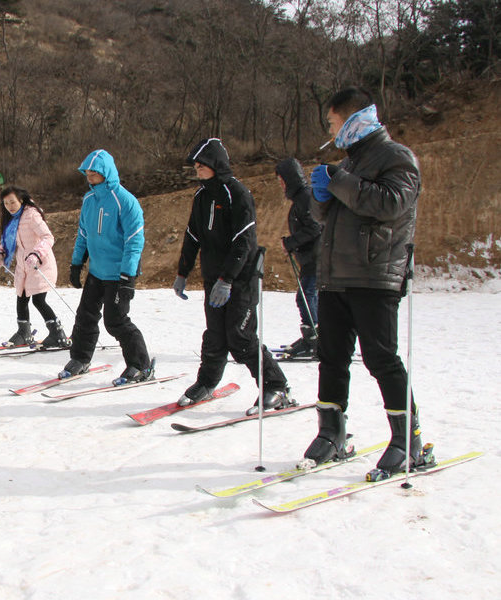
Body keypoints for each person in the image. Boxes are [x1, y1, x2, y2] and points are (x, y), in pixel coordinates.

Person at [302, 87, 428, 476]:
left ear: (353, 118)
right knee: (331, 357)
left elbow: (389, 204)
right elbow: (330, 217)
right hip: (336, 276)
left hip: (374, 275)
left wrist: (338, 179)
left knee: (381, 359)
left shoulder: (397, 157)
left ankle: (408, 441)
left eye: (332, 122)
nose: (330, 129)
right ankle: (331, 433)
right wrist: (319, 196)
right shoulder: (352, 162)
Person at [173, 138, 290, 415]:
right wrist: (182, 272)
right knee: (215, 336)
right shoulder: (201, 197)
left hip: (240, 279)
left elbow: (244, 242)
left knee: (240, 336)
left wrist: (227, 280)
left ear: (216, 165)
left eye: (202, 166)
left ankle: (277, 386)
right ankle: (207, 383)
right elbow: (192, 237)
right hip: (214, 278)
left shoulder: (237, 194)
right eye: (196, 167)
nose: (197, 171)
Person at [61, 149, 153, 385]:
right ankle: (80, 359)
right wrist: (76, 263)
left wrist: (127, 277)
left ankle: (140, 365)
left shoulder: (126, 201)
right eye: (87, 172)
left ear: (107, 172)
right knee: (85, 317)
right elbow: (83, 234)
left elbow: (134, 242)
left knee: (116, 321)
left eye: (95, 172)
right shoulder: (89, 200)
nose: (90, 176)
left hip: (118, 274)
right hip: (96, 272)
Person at [0, 186, 70, 348]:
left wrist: (36, 254)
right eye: (6, 203)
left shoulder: (32, 215)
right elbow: (6, 240)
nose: (9, 206)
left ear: (21, 200)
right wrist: (0, 254)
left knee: (38, 300)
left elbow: (48, 237)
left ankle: (57, 333)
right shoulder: (11, 219)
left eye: (12, 202)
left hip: (40, 263)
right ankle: (24, 333)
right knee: (21, 298)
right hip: (23, 265)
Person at [275, 157, 323, 358]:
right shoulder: (301, 198)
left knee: (305, 297)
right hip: (310, 258)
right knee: (309, 297)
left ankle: (314, 341)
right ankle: (314, 337)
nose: (280, 184)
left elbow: (315, 227)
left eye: (281, 180)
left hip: (316, 259)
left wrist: (291, 242)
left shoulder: (305, 198)